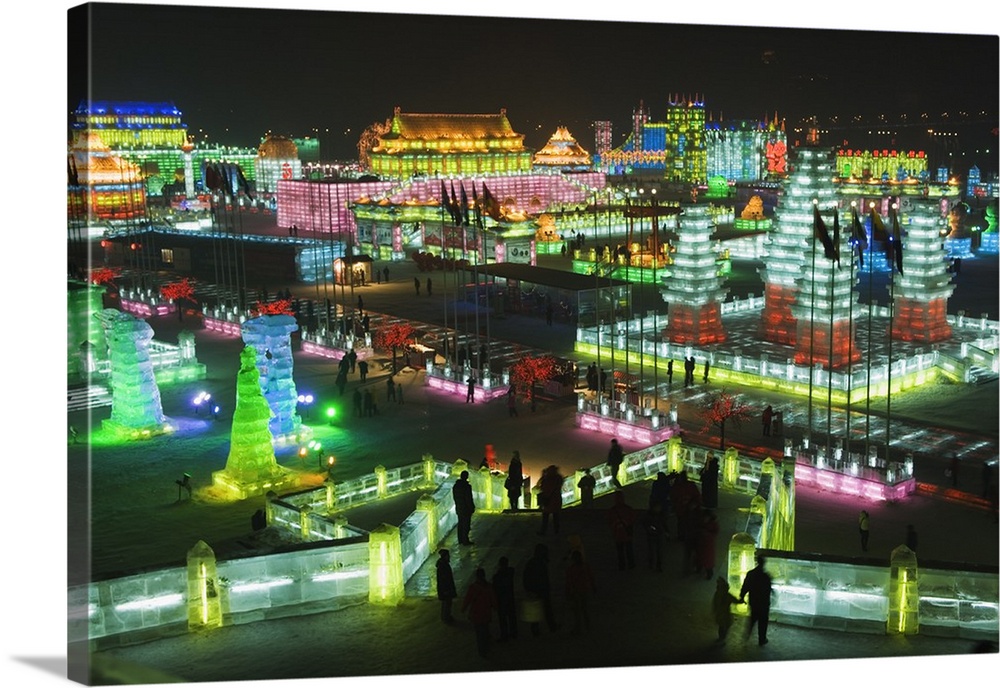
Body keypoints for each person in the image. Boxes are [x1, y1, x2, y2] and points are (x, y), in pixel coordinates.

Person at [522, 543, 558, 635]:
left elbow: (526, 577)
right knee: (546, 609)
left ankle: (536, 629)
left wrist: (528, 589)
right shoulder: (541, 563)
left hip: (535, 590)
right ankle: (551, 626)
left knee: (537, 609)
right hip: (541, 589)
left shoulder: (532, 563)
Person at [462, 567, 497, 657]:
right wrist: (495, 608)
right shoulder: (489, 587)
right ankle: (487, 647)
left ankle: (482, 651)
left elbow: (467, 600)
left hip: (476, 614)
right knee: (485, 630)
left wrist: (463, 609)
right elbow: (493, 600)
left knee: (479, 633)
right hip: (486, 613)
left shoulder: (473, 587)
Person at [740, 554, 773, 646]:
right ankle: (762, 639)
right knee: (763, 622)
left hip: (754, 602)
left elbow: (745, 587)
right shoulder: (766, 576)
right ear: (764, 563)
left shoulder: (751, 574)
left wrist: (741, 596)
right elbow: (769, 590)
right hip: (764, 604)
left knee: (752, 620)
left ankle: (746, 636)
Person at [564, 549, 596, 635]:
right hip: (584, 590)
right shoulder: (585, 567)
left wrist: (568, 592)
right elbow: (591, 577)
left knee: (577, 611)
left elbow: (569, 581)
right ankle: (587, 626)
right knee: (584, 609)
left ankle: (579, 627)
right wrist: (593, 587)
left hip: (576, 592)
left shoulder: (571, 569)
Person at [607, 491, 637, 571]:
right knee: (629, 550)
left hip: (617, 535)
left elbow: (609, 521)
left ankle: (622, 565)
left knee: (620, 552)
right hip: (627, 534)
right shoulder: (628, 509)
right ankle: (631, 564)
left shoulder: (612, 511)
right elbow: (633, 519)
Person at [492, 556, 517, 642]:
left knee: (503, 619)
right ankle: (514, 633)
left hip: (501, 600)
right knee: (511, 616)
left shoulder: (497, 577)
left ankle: (505, 635)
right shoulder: (510, 572)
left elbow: (494, 588)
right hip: (510, 598)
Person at [537, 465, 564, 535]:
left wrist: (543, 476)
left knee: (546, 517)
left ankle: (543, 531)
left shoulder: (548, 479)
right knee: (556, 517)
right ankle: (556, 531)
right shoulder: (559, 478)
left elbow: (540, 486)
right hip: (556, 499)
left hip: (548, 500)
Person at [712, 577, 741, 642]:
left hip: (719, 613)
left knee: (721, 626)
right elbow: (734, 600)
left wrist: (715, 610)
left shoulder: (717, 594)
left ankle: (721, 637)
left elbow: (715, 603)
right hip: (725, 613)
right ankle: (722, 637)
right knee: (726, 625)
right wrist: (741, 601)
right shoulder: (727, 595)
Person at [642, 503, 669, 572]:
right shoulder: (651, 515)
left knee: (658, 551)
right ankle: (653, 564)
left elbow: (664, 523)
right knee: (653, 551)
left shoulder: (659, 515)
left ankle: (657, 565)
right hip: (652, 535)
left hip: (658, 534)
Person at [452, 470, 475, 545]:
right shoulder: (467, 487)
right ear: (466, 477)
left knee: (460, 524)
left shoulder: (455, 486)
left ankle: (460, 540)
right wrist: (471, 507)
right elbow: (468, 498)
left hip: (459, 508)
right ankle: (465, 540)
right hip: (466, 509)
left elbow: (454, 498)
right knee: (466, 525)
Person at [696, 510, 720, 579]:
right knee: (701, 556)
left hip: (707, 544)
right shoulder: (702, 523)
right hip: (702, 543)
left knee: (707, 558)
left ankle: (708, 572)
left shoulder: (712, 524)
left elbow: (715, 533)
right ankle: (700, 568)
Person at [435, 549, 457, 624]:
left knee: (446, 603)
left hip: (445, 589)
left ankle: (446, 617)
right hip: (446, 589)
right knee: (446, 603)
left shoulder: (442, 565)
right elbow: (444, 579)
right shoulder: (443, 566)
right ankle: (446, 617)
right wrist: (446, 590)